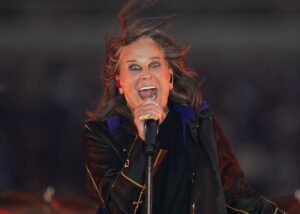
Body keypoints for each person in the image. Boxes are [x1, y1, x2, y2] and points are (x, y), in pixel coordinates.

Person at [84, 1, 285, 213]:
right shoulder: (100, 134)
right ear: (120, 83)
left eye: (154, 64)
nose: (145, 74)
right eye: (134, 67)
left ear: (169, 77)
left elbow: (237, 198)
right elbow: (116, 208)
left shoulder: (198, 126)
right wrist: (142, 148)